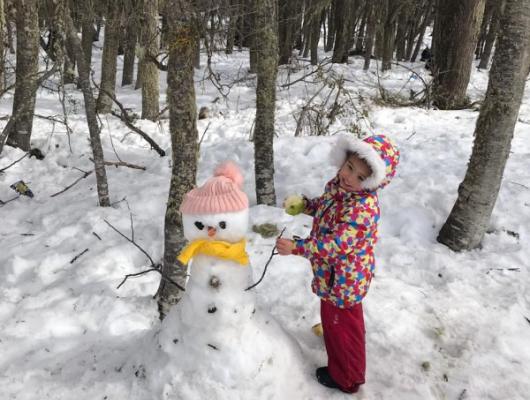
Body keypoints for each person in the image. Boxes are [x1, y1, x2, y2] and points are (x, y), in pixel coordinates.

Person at [276, 134, 399, 393]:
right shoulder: (340, 188)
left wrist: (297, 247)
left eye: (360, 177)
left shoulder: (362, 208)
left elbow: (337, 245)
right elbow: (327, 206)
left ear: (372, 183)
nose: (349, 177)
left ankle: (347, 378)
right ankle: (341, 352)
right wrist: (307, 206)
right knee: (340, 323)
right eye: (350, 167)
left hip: (343, 280)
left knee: (343, 330)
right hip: (333, 276)